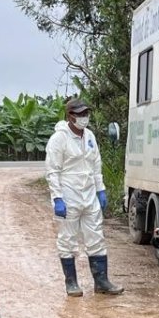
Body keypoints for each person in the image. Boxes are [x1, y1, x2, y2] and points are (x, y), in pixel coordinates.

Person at [46, 98, 123, 296]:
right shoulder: (59, 139)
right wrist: (57, 198)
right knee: (67, 239)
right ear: (70, 116)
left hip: (89, 195)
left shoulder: (89, 136)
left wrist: (101, 190)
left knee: (96, 236)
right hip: (68, 194)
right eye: (80, 114)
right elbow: (53, 171)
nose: (84, 117)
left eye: (86, 113)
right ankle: (71, 283)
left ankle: (101, 282)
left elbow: (96, 165)